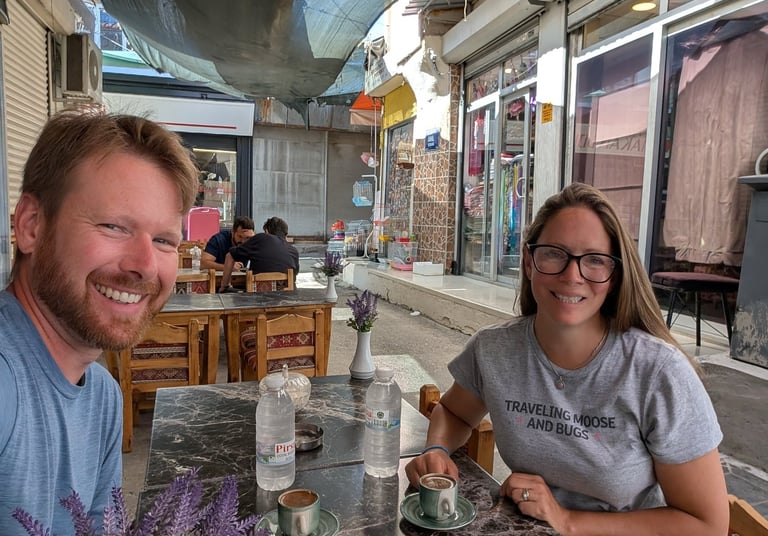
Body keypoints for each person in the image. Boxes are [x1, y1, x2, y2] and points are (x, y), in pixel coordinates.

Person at [405, 183, 729, 535]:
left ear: (614, 276)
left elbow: (706, 524)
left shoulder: (659, 373)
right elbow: (453, 412)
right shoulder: (494, 349)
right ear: (529, 263)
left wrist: (568, 520)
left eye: (594, 260)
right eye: (554, 254)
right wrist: (436, 449)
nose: (572, 275)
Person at [0, 110, 198, 533]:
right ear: (31, 225)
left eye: (164, 240)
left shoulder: (104, 397)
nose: (146, 266)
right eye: (113, 226)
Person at [218, 216, 299, 291]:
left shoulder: (261, 238)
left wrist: (225, 286)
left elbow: (230, 256)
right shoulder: (294, 251)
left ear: (266, 231)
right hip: (285, 301)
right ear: (286, 235)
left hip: (257, 299)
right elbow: (293, 279)